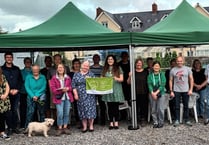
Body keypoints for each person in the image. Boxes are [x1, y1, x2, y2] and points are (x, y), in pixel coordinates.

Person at [1, 52, 23, 135]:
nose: (9, 58)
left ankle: (14, 127)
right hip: (6, 94)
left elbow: (20, 81)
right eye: (7, 57)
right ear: (5, 58)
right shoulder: (1, 69)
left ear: (12, 58)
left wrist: (17, 89)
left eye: (10, 57)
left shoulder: (17, 69)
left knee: (14, 110)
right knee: (7, 111)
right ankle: (9, 128)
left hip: (16, 93)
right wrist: (7, 90)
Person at [72, 61, 96, 133]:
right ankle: (85, 126)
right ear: (81, 66)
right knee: (82, 110)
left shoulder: (91, 74)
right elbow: (73, 85)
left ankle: (91, 126)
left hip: (90, 95)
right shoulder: (76, 74)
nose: (85, 67)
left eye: (87, 66)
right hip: (80, 95)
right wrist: (75, 94)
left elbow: (95, 85)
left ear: (89, 67)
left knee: (91, 110)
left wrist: (89, 81)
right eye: (84, 65)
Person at [50, 64, 74, 136]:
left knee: (66, 113)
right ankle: (59, 128)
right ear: (57, 69)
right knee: (60, 113)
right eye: (59, 68)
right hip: (59, 98)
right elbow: (53, 89)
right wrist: (61, 90)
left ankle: (65, 127)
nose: (60, 69)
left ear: (64, 69)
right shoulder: (54, 78)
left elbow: (71, 87)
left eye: (62, 67)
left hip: (67, 97)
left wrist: (67, 89)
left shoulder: (68, 77)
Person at [102, 55, 124, 129]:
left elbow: (122, 79)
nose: (110, 60)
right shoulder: (104, 69)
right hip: (108, 90)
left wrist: (115, 78)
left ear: (114, 60)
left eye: (111, 59)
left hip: (116, 89)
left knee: (116, 107)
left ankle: (116, 122)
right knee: (109, 107)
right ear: (107, 61)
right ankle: (111, 122)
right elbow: (101, 79)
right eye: (109, 59)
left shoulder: (118, 68)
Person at [169, 56, 193, 127]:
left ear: (183, 61)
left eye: (181, 61)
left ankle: (187, 119)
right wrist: (171, 91)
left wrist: (191, 89)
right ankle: (177, 120)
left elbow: (191, 79)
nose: (179, 62)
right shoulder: (173, 70)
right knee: (176, 106)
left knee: (186, 106)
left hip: (186, 90)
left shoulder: (188, 69)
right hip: (176, 90)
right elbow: (170, 80)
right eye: (178, 61)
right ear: (176, 61)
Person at [47, 54, 70, 125]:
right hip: (54, 92)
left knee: (66, 110)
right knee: (55, 109)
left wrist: (67, 88)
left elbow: (68, 80)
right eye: (55, 59)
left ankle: (66, 124)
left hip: (66, 94)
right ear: (53, 60)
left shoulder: (66, 68)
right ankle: (57, 124)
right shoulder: (50, 69)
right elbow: (49, 81)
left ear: (61, 60)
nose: (57, 60)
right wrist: (52, 91)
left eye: (59, 59)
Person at [127, 58, 149, 126]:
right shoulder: (132, 72)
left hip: (144, 92)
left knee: (144, 106)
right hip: (135, 92)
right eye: (137, 63)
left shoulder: (146, 72)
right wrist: (130, 76)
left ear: (142, 64)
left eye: (140, 63)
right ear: (135, 64)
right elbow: (128, 83)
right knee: (135, 106)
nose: (139, 64)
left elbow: (149, 82)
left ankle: (143, 119)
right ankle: (135, 119)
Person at [147, 61, 166, 128]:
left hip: (161, 93)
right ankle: (155, 122)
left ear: (160, 67)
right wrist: (152, 93)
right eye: (155, 66)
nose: (156, 67)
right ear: (152, 67)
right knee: (153, 109)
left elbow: (163, 85)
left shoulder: (162, 74)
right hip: (152, 94)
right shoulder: (150, 76)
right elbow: (149, 85)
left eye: (158, 66)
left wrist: (156, 93)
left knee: (160, 108)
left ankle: (161, 122)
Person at [90, 54, 106, 125]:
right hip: (92, 89)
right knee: (93, 105)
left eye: (97, 58)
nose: (96, 59)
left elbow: (105, 77)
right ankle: (95, 120)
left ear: (99, 59)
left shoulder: (103, 68)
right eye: (95, 58)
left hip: (101, 89)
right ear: (93, 59)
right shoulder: (89, 68)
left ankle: (103, 120)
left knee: (102, 105)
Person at [19, 57, 32, 130]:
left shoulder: (33, 71)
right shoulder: (21, 72)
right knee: (23, 109)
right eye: (26, 62)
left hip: (32, 93)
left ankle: (32, 124)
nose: (28, 63)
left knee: (32, 109)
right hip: (23, 92)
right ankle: (22, 124)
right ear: (24, 63)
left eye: (29, 62)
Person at [69, 58, 81, 126]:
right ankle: (77, 121)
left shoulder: (83, 72)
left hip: (82, 92)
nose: (76, 65)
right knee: (76, 107)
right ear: (73, 65)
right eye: (75, 64)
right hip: (73, 92)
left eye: (78, 63)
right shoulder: (70, 74)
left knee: (82, 107)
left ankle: (83, 120)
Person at [0, 67, 11, 140]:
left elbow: (7, 86)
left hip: (4, 101)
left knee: (2, 117)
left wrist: (5, 94)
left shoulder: (2, 76)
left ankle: (2, 133)